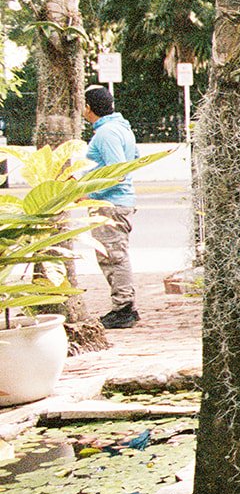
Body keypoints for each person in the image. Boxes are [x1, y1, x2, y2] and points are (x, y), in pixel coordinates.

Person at [84, 86, 140, 328]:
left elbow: (117, 172)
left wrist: (89, 193)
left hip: (110, 203)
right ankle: (125, 306)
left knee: (113, 257)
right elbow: (135, 158)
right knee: (114, 254)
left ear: (88, 108)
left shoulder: (106, 133)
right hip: (119, 201)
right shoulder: (120, 129)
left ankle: (124, 309)